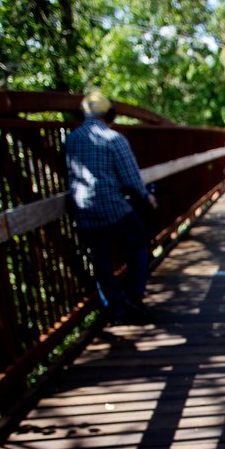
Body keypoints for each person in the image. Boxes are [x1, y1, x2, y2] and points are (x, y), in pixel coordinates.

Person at [65, 90, 158, 325]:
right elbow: (131, 179)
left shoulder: (72, 138)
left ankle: (114, 308)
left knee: (101, 259)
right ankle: (132, 299)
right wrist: (147, 197)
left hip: (83, 209)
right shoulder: (113, 139)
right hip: (112, 207)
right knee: (138, 246)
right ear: (111, 114)